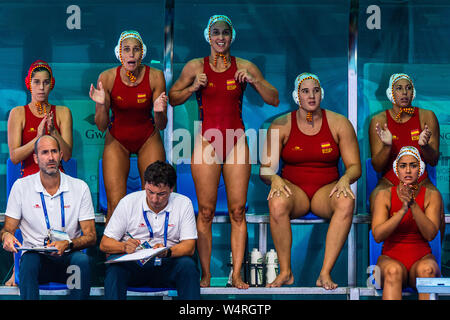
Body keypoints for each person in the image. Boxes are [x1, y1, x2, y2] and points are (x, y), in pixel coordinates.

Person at [168, 15, 279, 289]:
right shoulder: (196, 66)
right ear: (208, 36)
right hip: (207, 140)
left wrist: (253, 81)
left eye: (225, 33)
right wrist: (193, 87)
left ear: (232, 36)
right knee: (204, 212)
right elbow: (172, 97)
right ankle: (205, 274)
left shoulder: (244, 66)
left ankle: (237, 274)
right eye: (215, 32)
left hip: (236, 140)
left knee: (238, 211)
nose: (220, 38)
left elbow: (273, 98)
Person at [259, 73, 361, 289]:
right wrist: (274, 178)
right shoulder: (280, 125)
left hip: (326, 191)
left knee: (346, 200)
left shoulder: (339, 123)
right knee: (276, 201)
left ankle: (325, 273)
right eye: (305, 91)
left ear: (321, 93)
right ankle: (286, 271)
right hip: (294, 192)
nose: (311, 95)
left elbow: (355, 167)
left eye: (315, 90)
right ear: (297, 96)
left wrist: (345, 178)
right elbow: (265, 169)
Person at [1, 135, 97, 300]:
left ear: (61, 155)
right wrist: (7, 236)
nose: (50, 157)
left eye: (54, 151)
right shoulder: (21, 186)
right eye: (44, 152)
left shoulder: (80, 187)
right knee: (28, 263)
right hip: (37, 260)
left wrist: (68, 243)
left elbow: (91, 236)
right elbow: (7, 229)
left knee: (81, 262)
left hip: (68, 258)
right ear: (36, 159)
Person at [6, 60, 73, 286]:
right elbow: (15, 156)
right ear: (29, 85)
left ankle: (57, 266)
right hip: (29, 178)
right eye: (36, 82)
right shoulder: (18, 113)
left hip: (56, 175)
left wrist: (53, 132)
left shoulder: (63, 112)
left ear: (51, 85)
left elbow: (68, 154)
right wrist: (40, 138)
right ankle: (19, 271)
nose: (41, 87)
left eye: (46, 82)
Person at [89, 30, 168, 223]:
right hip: (117, 139)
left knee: (153, 199)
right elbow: (101, 126)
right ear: (119, 54)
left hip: (147, 137)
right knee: (115, 205)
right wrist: (100, 105)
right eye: (126, 50)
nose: (131, 54)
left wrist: (158, 111)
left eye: (135, 50)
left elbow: (162, 125)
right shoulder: (107, 78)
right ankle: (115, 252)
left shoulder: (156, 77)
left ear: (142, 53)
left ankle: (151, 250)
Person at [100, 160, 200, 300]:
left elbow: (189, 247)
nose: (154, 199)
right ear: (145, 184)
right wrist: (124, 246)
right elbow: (104, 244)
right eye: (150, 192)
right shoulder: (128, 202)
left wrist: (167, 251)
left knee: (188, 266)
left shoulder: (183, 203)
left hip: (167, 263)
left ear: (172, 189)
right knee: (115, 270)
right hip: (135, 264)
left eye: (161, 194)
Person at [371, 146, 441, 300]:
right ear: (397, 169)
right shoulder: (384, 195)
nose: (408, 170)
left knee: (427, 270)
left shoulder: (432, 196)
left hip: (422, 258)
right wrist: (402, 211)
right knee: (393, 271)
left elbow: (430, 234)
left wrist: (413, 205)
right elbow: (377, 235)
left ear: (420, 169)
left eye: (413, 165)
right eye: (403, 166)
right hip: (390, 258)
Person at [368, 73, 440, 214]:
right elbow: (377, 166)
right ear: (390, 92)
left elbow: (433, 160)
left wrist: (424, 146)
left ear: (413, 93)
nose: (404, 92)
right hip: (390, 181)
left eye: (408, 88)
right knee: (376, 199)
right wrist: (387, 146)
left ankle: (435, 237)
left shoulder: (426, 116)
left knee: (437, 201)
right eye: (399, 88)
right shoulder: (379, 120)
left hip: (421, 180)